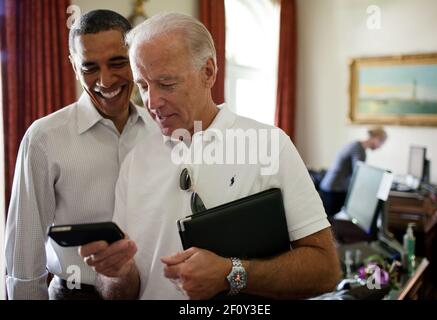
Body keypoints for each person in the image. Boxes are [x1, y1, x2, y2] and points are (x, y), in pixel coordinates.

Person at [79, 12, 341, 300]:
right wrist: (116, 273)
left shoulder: (269, 145)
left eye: (166, 84)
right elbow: (121, 292)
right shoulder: (134, 162)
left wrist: (232, 274)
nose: (152, 102)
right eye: (143, 86)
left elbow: (326, 271)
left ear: (208, 72)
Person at [5, 10, 155, 300]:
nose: (106, 80)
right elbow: (25, 250)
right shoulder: (44, 138)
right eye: (90, 67)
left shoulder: (160, 133)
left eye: (117, 63)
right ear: (74, 67)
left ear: (136, 59)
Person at [319, 126, 387, 217]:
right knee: (333, 222)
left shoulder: (357, 145)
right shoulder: (359, 150)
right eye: (381, 143)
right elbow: (359, 175)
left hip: (332, 187)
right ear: (376, 138)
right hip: (333, 190)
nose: (380, 147)